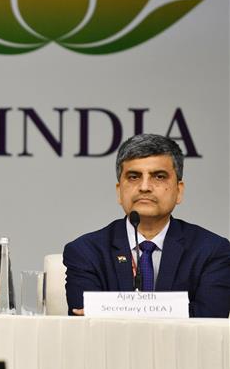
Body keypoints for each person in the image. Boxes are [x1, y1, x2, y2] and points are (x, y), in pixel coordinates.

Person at [63, 134, 230, 318]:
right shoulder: (85, 252)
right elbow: (85, 326)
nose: (144, 187)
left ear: (179, 191)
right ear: (119, 192)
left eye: (158, 176)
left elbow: (209, 320)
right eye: (134, 177)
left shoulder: (212, 251)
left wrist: (113, 312)